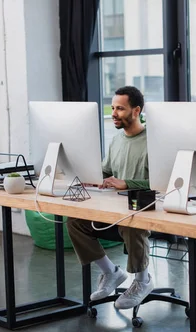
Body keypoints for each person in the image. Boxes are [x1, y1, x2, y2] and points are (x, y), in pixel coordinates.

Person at [66, 86, 154, 309]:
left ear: (136, 111)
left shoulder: (152, 141)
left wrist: (128, 183)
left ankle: (143, 281)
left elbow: (163, 184)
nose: (113, 113)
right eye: (113, 107)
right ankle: (111, 272)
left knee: (132, 222)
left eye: (120, 108)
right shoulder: (116, 140)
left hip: (143, 211)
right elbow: (106, 171)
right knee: (75, 221)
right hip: (114, 211)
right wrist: (91, 176)